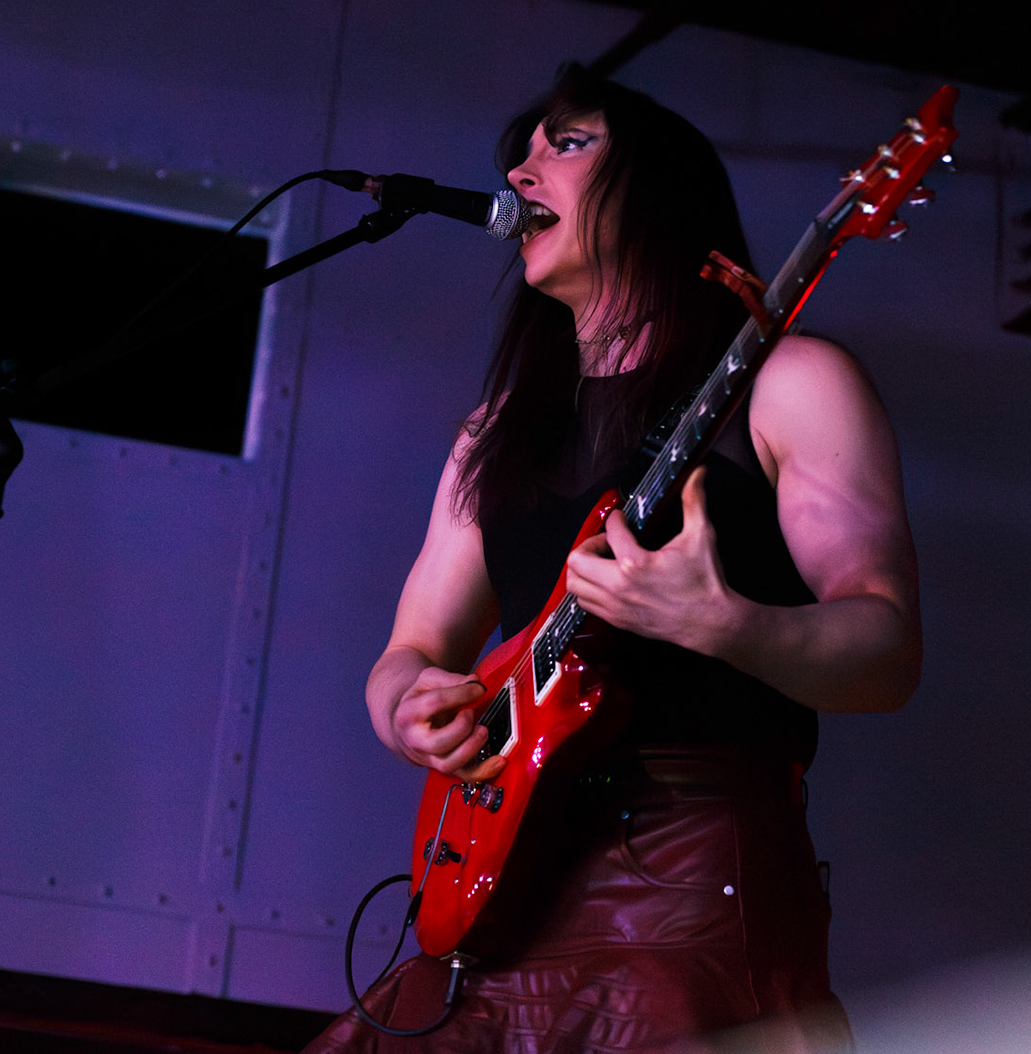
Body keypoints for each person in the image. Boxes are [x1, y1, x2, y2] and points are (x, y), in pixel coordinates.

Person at [306, 65, 920, 1053]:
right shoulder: (493, 433)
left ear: (656, 188)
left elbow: (887, 648)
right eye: (522, 153)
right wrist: (407, 709)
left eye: (568, 142)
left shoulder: (793, 382)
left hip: (687, 886)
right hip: (505, 884)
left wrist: (726, 624)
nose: (521, 171)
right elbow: (410, 650)